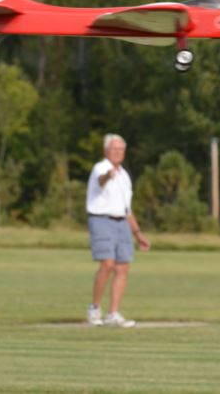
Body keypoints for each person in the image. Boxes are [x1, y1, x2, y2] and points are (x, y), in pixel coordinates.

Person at [86, 133, 150, 327]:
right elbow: (101, 181)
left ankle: (113, 313)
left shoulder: (124, 175)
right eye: (114, 149)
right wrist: (108, 175)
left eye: (121, 150)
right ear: (106, 151)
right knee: (107, 263)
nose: (117, 153)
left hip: (121, 221)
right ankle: (95, 308)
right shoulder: (101, 168)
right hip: (101, 218)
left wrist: (138, 233)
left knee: (122, 267)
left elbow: (126, 208)